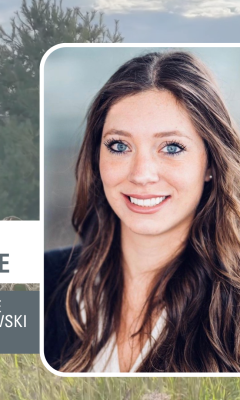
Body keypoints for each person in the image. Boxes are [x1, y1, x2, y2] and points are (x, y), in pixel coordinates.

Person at [44, 50, 240, 373]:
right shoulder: (46, 283)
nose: (141, 174)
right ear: (97, 158)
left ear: (211, 165)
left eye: (172, 147)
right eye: (119, 146)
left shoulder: (231, 309)